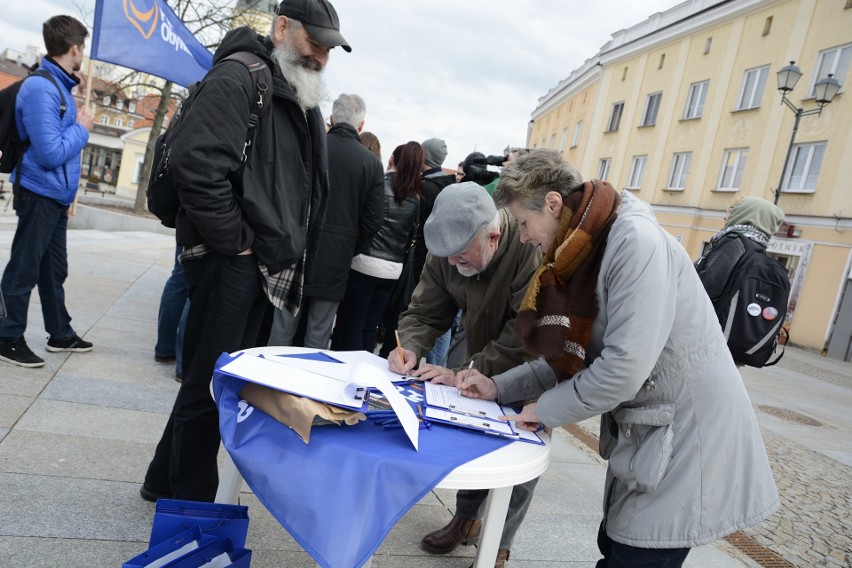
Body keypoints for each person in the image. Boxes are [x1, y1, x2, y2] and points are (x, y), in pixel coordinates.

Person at [453, 149, 779, 568]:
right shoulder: (590, 244)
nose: (524, 237)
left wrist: (543, 409)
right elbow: (573, 354)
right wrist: (499, 386)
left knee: (632, 556)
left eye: (523, 223)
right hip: (653, 437)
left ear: (553, 204)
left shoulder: (632, 243)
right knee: (616, 545)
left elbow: (621, 368)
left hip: (685, 440)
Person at [141, 0, 349, 503]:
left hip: (261, 265)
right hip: (231, 261)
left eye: (327, 48)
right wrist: (235, 244)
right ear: (281, 27)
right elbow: (196, 165)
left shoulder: (294, 92)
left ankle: (160, 479)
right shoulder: (241, 78)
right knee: (212, 389)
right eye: (313, 42)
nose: (320, 56)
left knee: (215, 381)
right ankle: (189, 503)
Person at [388, 181, 541, 568]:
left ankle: (498, 546)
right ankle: (466, 520)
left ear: (493, 236)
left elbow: (524, 333)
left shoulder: (529, 248)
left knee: (521, 449)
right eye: (449, 259)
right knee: (470, 427)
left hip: (532, 360)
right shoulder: (447, 248)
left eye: (461, 258)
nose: (454, 265)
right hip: (478, 345)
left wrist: (462, 371)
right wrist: (409, 347)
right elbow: (426, 309)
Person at [0, 15, 94, 368]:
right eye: (82, 47)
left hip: (55, 196)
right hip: (38, 192)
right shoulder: (41, 89)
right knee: (23, 268)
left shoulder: (59, 86)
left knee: (54, 269)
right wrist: (82, 128)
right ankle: (6, 336)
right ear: (74, 48)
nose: (83, 53)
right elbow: (50, 151)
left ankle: (59, 333)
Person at [268, 93, 383, 349]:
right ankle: (306, 388)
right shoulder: (371, 165)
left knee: (281, 330)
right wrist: (350, 246)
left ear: (331, 118)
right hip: (336, 258)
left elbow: (282, 195)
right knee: (318, 335)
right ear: (361, 125)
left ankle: (265, 383)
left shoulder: (307, 147)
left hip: (295, 249)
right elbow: (373, 221)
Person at [330, 141, 421, 351]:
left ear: (394, 159)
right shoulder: (415, 197)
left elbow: (366, 221)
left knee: (353, 325)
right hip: (393, 269)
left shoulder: (380, 183)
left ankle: (351, 370)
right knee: (370, 326)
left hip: (365, 261)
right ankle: (365, 371)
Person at [379, 137, 455, 359]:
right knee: (441, 320)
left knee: (406, 316)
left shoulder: (424, 190)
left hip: (418, 264)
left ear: (425, 157)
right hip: (440, 262)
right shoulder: (450, 187)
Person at [695, 196, 785, 300]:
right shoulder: (757, 247)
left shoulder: (734, 243)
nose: (725, 217)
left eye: (732, 210)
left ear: (746, 214)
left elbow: (706, 287)